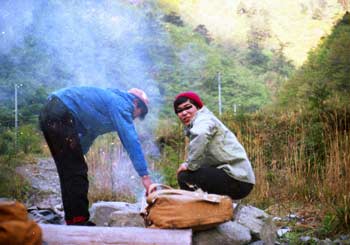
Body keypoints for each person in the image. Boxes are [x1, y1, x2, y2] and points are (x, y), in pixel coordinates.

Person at [39, 86, 152, 226]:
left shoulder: (109, 102)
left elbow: (90, 133)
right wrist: (144, 176)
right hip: (61, 112)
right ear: (136, 102)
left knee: (70, 171)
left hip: (50, 112)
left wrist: (81, 154)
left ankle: (72, 220)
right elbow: (130, 140)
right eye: (141, 112)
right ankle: (78, 221)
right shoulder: (123, 104)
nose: (137, 117)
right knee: (76, 172)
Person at [173, 91, 255, 200]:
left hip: (237, 178)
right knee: (192, 172)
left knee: (185, 176)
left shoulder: (204, 119)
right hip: (238, 178)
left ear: (197, 107)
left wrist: (189, 165)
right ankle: (209, 209)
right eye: (179, 111)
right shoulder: (199, 122)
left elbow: (201, 134)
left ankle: (196, 211)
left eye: (188, 107)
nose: (184, 113)